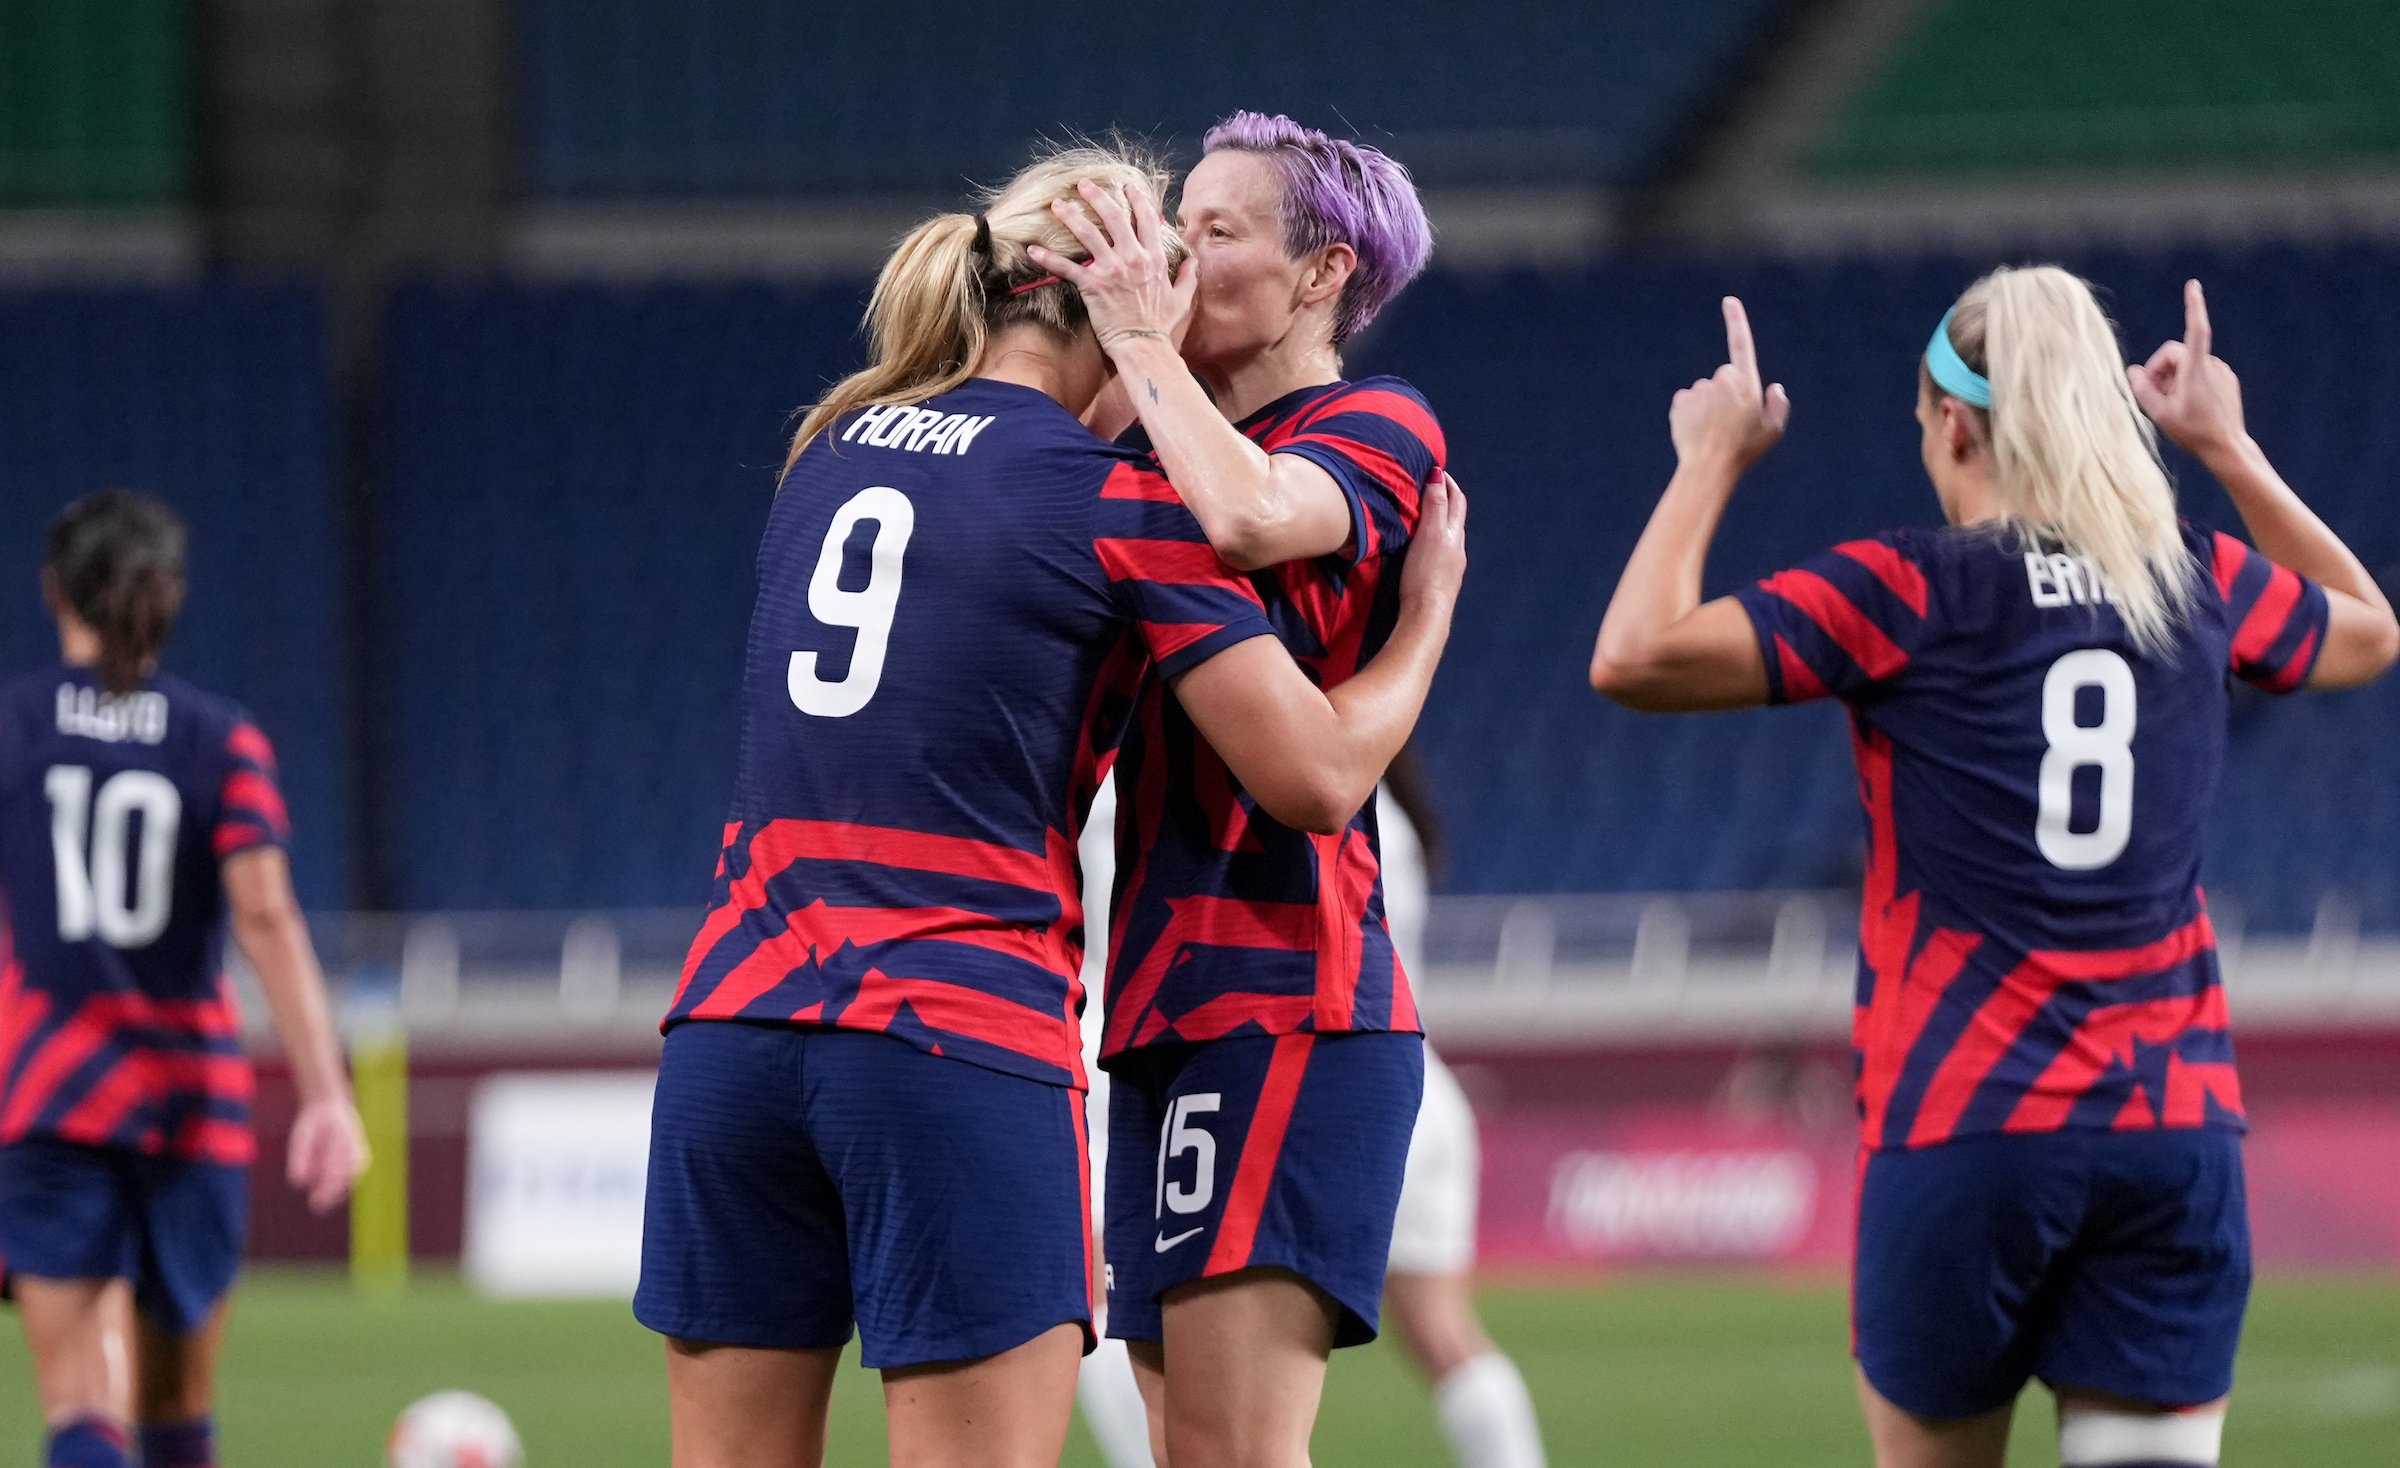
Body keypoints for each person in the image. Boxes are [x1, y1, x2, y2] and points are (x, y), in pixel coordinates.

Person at [634, 141, 1467, 1468]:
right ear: (1121, 298)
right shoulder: (1120, 500)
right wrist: (1423, 621)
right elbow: (1312, 775)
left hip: (729, 1035)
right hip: (945, 1032)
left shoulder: (828, 453)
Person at [1587, 273, 2397, 1468]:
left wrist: (1709, 458)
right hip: (2168, 1129)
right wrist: (2225, 445)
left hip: (1967, 1126)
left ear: (1955, 423)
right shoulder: (2194, 579)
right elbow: (2367, 627)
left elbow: (1636, 655)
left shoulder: (1906, 590)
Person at [1031, 111, 1451, 1467]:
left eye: (1217, 232)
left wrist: (1144, 341)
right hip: (1164, 1001)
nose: (1174, 254)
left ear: (1321, 274)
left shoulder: (1374, 423)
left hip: (1286, 996)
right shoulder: (1149, 430)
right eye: (1177, 222)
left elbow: (1259, 515)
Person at [0, 490, 368, 1468]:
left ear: (53, 593)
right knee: (176, 1407)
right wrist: (328, 1094)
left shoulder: (13, 728)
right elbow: (265, 917)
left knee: (81, 1401)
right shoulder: (222, 739)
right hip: (190, 1103)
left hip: (49, 1096)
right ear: (168, 599)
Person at [1376, 751, 1548, 1468]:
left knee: (1167, 1330)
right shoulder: (1389, 810)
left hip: (1327, 1090)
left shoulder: (1288, 780)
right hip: (1420, 1083)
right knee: (1446, 1337)